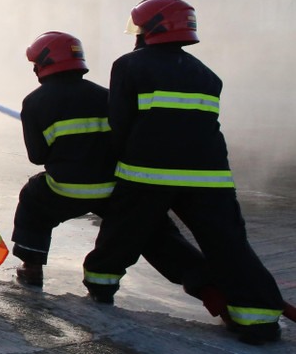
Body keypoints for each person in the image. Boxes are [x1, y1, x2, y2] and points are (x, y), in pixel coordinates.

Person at [82, 0, 284, 344]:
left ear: (151, 29)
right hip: (209, 176)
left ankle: (101, 285)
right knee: (228, 243)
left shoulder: (129, 65)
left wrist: (117, 159)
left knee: (125, 231)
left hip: (148, 172)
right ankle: (258, 318)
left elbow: (121, 121)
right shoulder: (206, 74)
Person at [12, 32, 212, 301]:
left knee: (32, 198)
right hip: (115, 189)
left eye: (35, 63)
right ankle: (210, 286)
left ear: (46, 63)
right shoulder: (106, 95)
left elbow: (37, 156)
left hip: (67, 189)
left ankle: (32, 267)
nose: (34, 69)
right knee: (149, 230)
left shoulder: (34, 102)